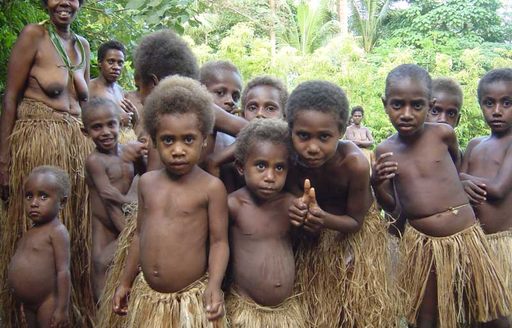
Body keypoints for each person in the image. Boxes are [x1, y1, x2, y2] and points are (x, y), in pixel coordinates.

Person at [372, 64, 511, 327]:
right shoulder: (384, 150)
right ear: (384, 104)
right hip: (422, 244)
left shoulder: (443, 135)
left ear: (429, 104)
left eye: (417, 106)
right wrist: (377, 182)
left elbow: (455, 170)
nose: (406, 114)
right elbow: (390, 207)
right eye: (397, 105)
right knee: (425, 317)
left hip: (465, 235)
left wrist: (462, 186)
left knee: (490, 308)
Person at [0, 0, 94, 325]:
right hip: (38, 142)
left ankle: (67, 308)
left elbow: (87, 103)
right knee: (33, 226)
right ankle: (23, 312)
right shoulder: (34, 36)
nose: (64, 3)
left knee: (73, 231)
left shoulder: (83, 45)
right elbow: (11, 97)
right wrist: (4, 161)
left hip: (75, 147)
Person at [112, 76, 229, 327]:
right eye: (168, 140)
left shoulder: (211, 188)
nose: (178, 149)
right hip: (148, 299)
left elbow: (219, 242)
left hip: (188, 302)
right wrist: (125, 281)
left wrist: (215, 285)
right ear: (154, 141)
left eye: (188, 139)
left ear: (204, 140)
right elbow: (140, 235)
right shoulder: (148, 183)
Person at [286, 81, 396, 327]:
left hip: (354, 240)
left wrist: (322, 218)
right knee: (318, 310)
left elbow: (356, 221)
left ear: (341, 132)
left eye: (324, 137)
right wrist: (298, 210)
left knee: (353, 312)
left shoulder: (354, 163)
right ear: (290, 129)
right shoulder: (289, 160)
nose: (312, 147)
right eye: (303, 136)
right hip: (314, 240)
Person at [226, 119, 306, 327]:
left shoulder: (290, 204)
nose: (270, 176)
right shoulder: (233, 205)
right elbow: (217, 246)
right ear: (241, 167)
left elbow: (305, 241)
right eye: (261, 165)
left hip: (286, 312)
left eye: (279, 167)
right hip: (246, 311)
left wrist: (308, 221)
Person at [460, 68, 512, 322]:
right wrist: (458, 182)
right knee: (475, 314)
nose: (497, 110)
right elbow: (454, 191)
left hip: (500, 244)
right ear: (480, 105)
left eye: (507, 103)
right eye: (489, 103)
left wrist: (460, 179)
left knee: (500, 315)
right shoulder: (474, 145)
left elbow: (499, 188)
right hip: (472, 243)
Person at [82, 97, 144, 302]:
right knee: (101, 264)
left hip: (126, 218)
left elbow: (144, 174)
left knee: (127, 265)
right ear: (86, 132)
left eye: (111, 124)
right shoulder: (95, 160)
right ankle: (102, 314)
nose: (106, 132)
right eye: (97, 127)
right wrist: (127, 231)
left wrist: (141, 157)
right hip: (106, 222)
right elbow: (108, 197)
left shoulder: (127, 152)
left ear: (120, 123)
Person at [7, 166, 71, 328]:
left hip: (47, 301)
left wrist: (62, 309)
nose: (34, 203)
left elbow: (63, 271)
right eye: (29, 196)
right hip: (28, 304)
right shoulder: (31, 231)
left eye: (43, 197)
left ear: (62, 202)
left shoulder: (57, 231)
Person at [89, 40, 139, 143]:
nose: (116, 67)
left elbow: (132, 123)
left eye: (120, 63)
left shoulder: (120, 91)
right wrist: (116, 120)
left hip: (122, 146)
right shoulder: (90, 87)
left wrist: (134, 115)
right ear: (99, 62)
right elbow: (82, 118)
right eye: (111, 62)